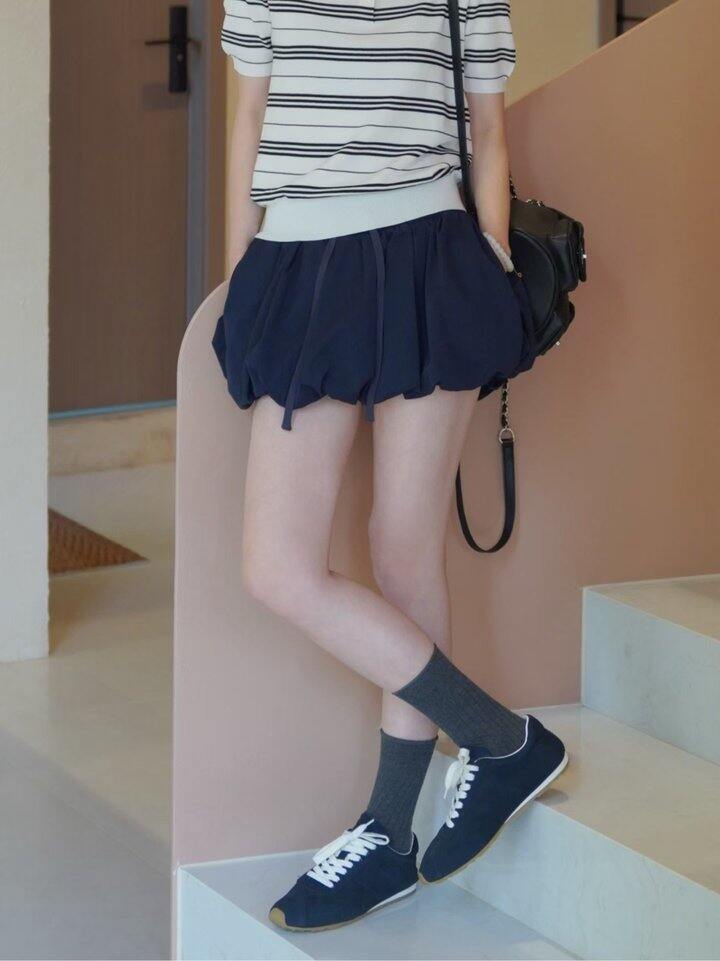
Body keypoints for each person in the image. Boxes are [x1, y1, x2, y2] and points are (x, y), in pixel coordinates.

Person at [214, 0, 567, 932]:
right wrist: (240, 279)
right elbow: (250, 115)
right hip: (296, 265)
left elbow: (487, 126)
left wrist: (491, 261)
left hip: (429, 260)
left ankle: (388, 833)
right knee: (277, 566)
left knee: (406, 551)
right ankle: (500, 739)